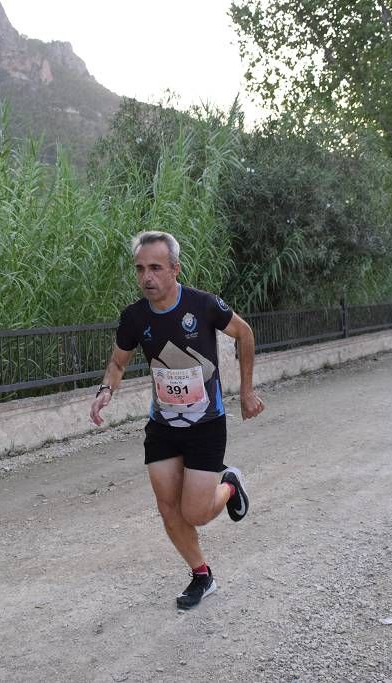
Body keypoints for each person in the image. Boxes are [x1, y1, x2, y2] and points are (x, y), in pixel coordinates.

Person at [89, 231, 265, 610]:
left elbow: (244, 333)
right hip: (163, 426)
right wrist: (106, 390)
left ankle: (230, 484)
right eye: (140, 269)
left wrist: (246, 391)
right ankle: (201, 575)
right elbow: (118, 362)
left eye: (155, 268)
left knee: (196, 513)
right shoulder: (134, 317)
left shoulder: (202, 305)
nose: (146, 277)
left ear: (174, 269)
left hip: (206, 424)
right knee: (168, 508)